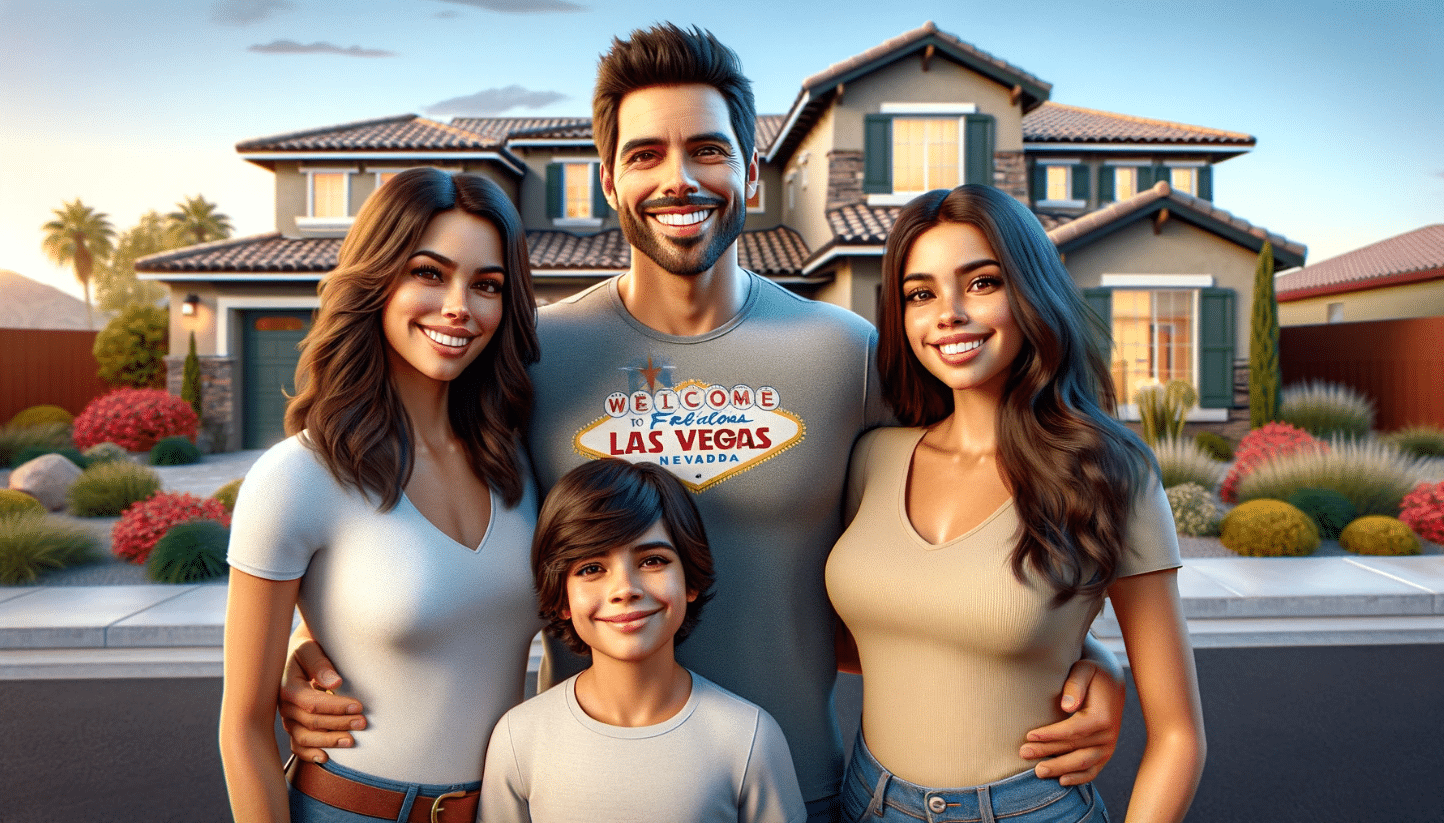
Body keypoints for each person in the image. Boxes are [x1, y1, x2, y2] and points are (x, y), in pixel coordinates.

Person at [278, 25, 1128, 822]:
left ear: (752, 174)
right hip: (582, 792)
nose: (678, 178)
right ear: (607, 179)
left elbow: (987, 495)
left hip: (806, 786)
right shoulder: (531, 358)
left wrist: (1083, 656)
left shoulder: (851, 354)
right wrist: (320, 638)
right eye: (645, 153)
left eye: (708, 149)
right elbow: (412, 499)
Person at [827, 184, 1206, 823]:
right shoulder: (873, 458)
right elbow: (871, 640)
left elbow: (1179, 738)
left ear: (1031, 292)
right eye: (920, 294)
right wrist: (1090, 660)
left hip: (1031, 809)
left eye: (981, 283)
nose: (947, 313)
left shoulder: (1110, 472)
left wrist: (1093, 663)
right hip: (865, 800)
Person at [218, 168, 542, 823]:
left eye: (486, 285)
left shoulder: (520, 463)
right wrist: (293, 649)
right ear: (378, 279)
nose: (460, 306)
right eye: (429, 272)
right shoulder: (296, 477)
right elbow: (243, 728)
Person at [481, 458, 806, 822]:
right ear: (561, 600)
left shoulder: (748, 738)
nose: (625, 589)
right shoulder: (519, 737)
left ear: (691, 580)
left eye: (652, 561)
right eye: (591, 569)